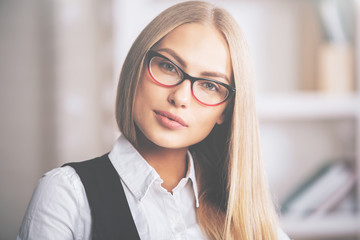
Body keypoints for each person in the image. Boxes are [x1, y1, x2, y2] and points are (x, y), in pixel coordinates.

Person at [17, 1, 290, 239]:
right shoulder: (67, 194)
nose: (180, 97)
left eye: (209, 85)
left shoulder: (244, 211)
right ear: (138, 66)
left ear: (226, 111)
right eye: (169, 66)